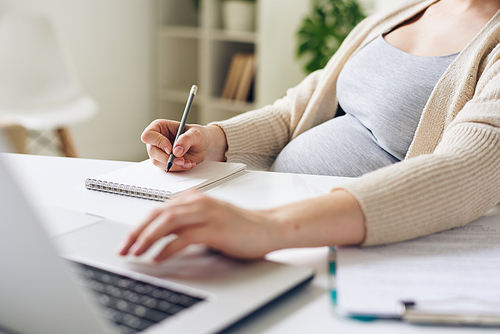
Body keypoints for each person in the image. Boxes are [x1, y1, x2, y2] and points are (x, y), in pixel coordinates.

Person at [119, 0, 500, 263]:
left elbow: (467, 170)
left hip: (337, 244)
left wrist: (270, 227)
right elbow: (298, 110)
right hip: (275, 217)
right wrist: (215, 140)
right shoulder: (406, 11)